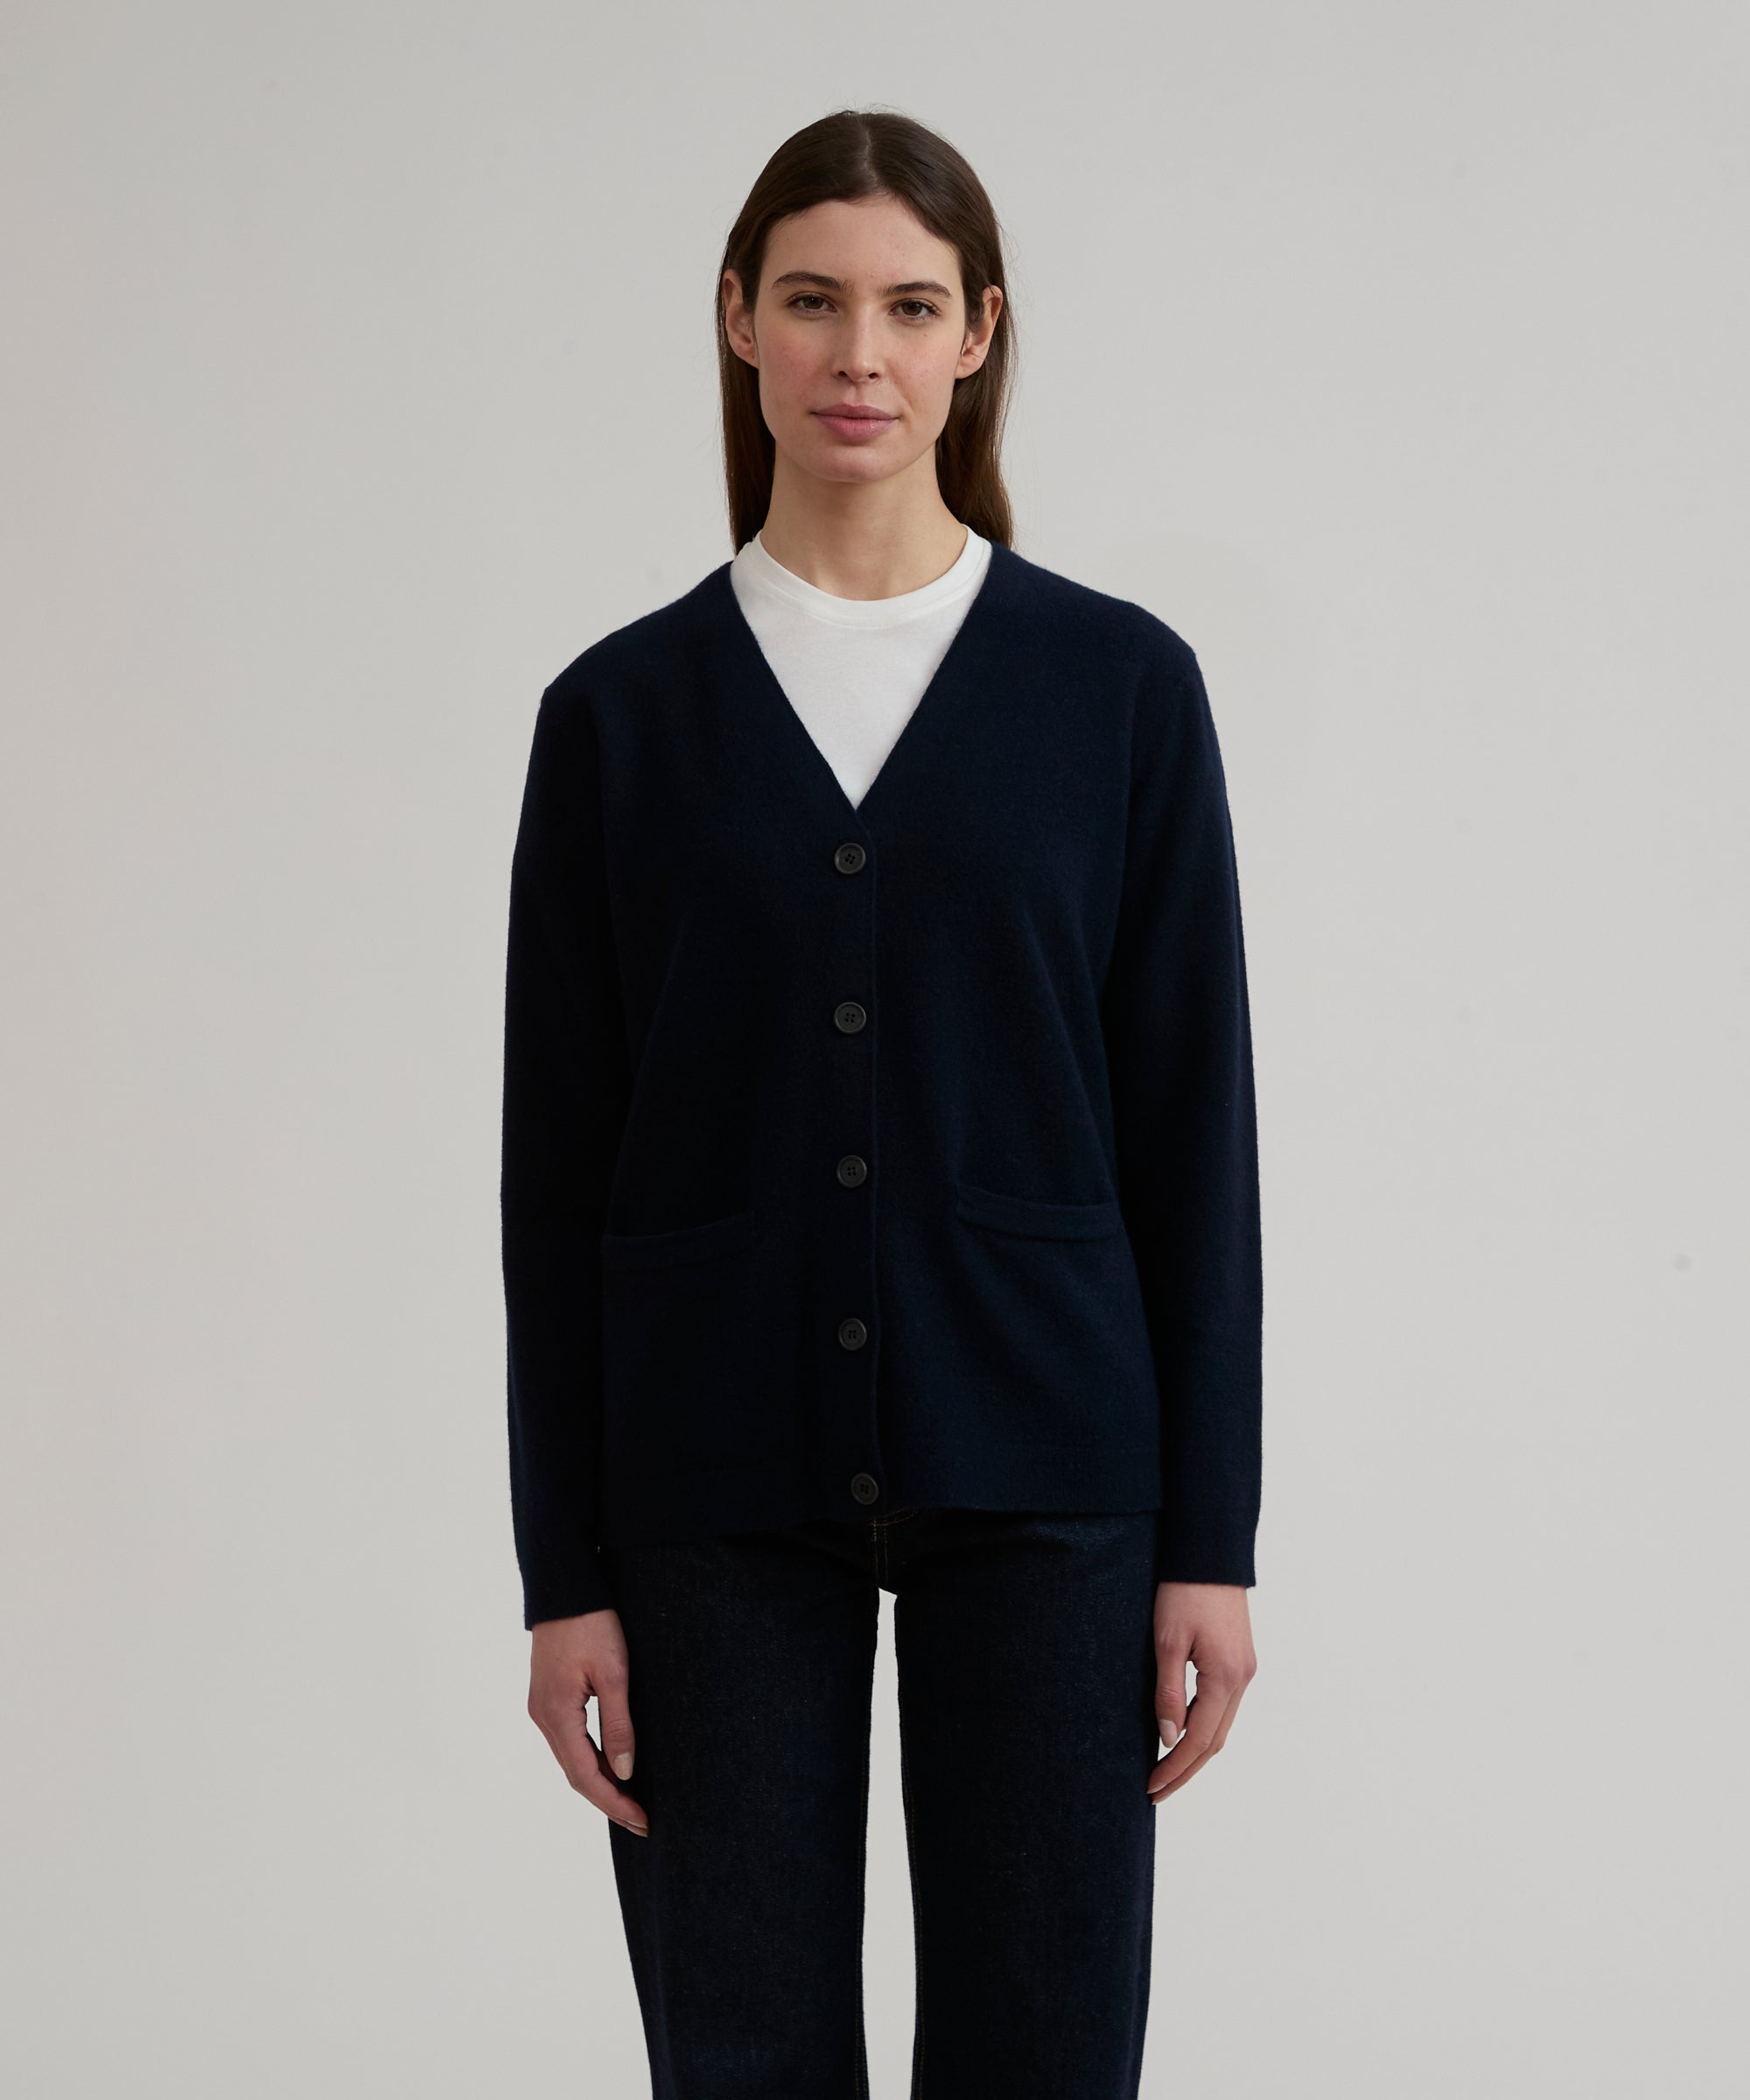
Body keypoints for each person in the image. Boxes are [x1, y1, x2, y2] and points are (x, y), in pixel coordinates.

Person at [500, 106, 1263, 2100]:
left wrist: (1211, 1539)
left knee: (1047, 2050)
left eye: (912, 307)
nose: (861, 355)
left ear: (978, 334)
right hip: (708, 1474)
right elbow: (555, 1177)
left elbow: (1194, 1136)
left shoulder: (1118, 690)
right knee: (738, 2053)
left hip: (1051, 1463)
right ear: (737, 320)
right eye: (815, 300)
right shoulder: (618, 719)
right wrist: (565, 1571)